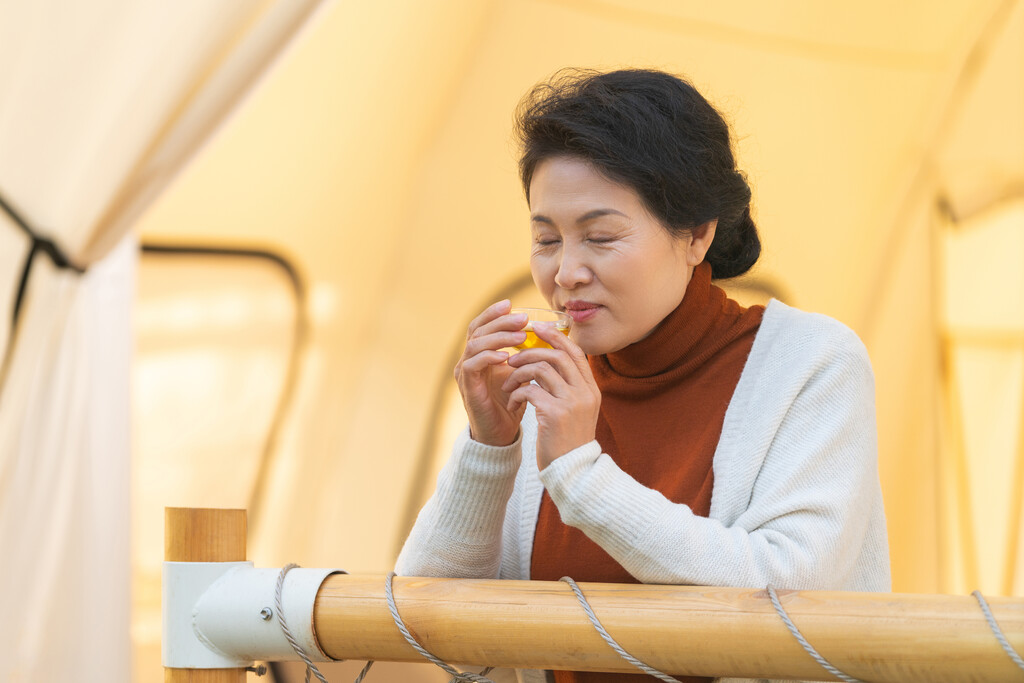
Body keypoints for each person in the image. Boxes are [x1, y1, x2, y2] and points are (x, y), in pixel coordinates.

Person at [396, 68, 890, 683]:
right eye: (546, 239)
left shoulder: (812, 362)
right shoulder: (546, 379)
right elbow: (423, 615)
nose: (566, 272)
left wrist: (579, 473)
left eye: (600, 237)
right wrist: (489, 447)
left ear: (697, 233)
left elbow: (788, 588)